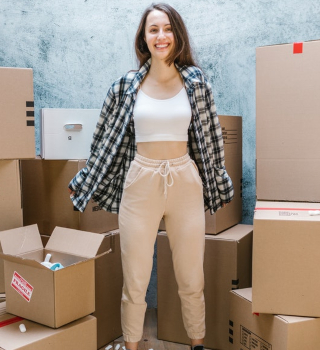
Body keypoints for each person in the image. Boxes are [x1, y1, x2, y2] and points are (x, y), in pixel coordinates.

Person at [68, 3, 233, 349]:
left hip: (185, 181)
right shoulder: (125, 86)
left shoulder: (196, 82)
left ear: (178, 35)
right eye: (153, 29)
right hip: (140, 182)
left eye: (167, 28)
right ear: (144, 38)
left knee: (191, 278)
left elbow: (212, 136)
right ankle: (132, 345)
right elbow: (103, 140)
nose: (161, 36)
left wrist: (216, 179)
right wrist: (87, 180)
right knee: (136, 281)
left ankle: (197, 344)